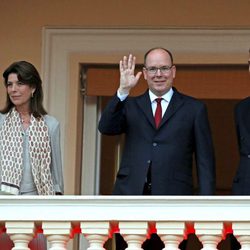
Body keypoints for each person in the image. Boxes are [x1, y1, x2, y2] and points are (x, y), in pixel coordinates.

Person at [98, 47, 216, 249]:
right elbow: (106, 127)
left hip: (175, 199)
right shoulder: (130, 104)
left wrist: (206, 205)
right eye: (152, 69)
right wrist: (123, 91)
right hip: (131, 197)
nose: (158, 74)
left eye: (164, 68)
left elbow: (205, 161)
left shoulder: (194, 108)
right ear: (144, 73)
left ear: (174, 71)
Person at [0, 61, 64, 249]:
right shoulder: (1, 122)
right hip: (4, 204)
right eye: (10, 84)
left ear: (33, 87)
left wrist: (58, 208)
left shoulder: (51, 124)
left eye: (20, 84)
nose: (14, 89)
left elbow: (56, 174)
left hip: (38, 205)